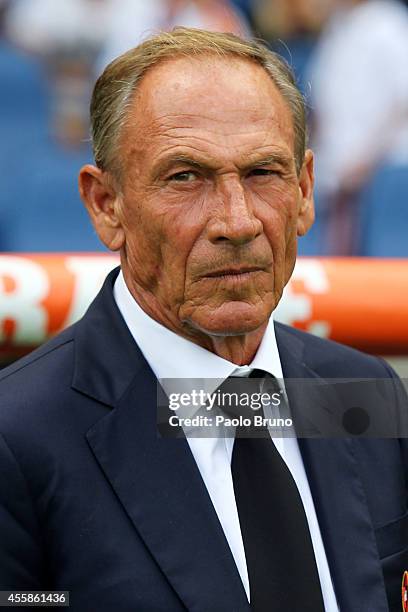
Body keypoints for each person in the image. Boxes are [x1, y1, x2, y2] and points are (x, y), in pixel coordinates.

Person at [0, 28, 406, 612]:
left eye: (263, 174)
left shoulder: (363, 395)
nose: (237, 222)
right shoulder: (17, 439)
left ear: (306, 191)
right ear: (105, 206)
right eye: (186, 177)